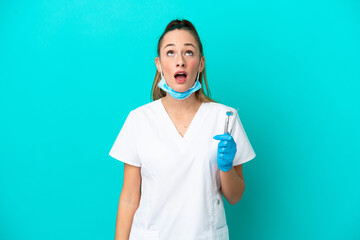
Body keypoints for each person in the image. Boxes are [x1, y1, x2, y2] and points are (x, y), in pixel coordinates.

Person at [109, 19, 256, 240]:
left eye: (189, 52)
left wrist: (226, 169)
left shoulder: (225, 118)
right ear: (159, 65)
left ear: (201, 63)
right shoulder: (139, 119)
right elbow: (129, 197)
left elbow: (235, 196)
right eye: (170, 53)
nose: (180, 61)